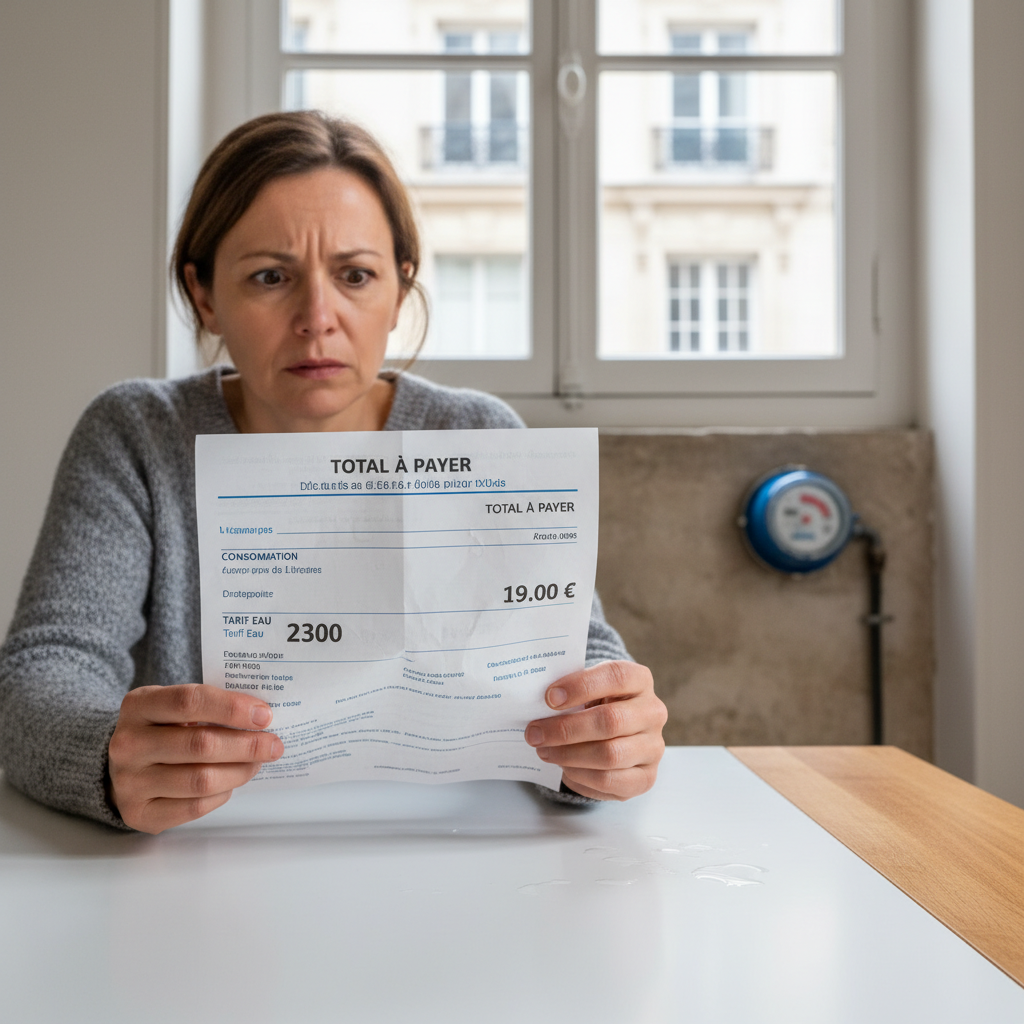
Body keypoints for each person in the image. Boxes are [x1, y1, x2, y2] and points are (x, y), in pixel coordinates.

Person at [0, 112, 667, 834]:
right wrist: (106, 760)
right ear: (204, 294)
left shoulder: (476, 436)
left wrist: (606, 739)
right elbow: (44, 671)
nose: (317, 317)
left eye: (355, 275)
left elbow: (579, 657)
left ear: (401, 290)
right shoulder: (137, 435)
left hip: (448, 851)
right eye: (269, 276)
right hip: (199, 860)